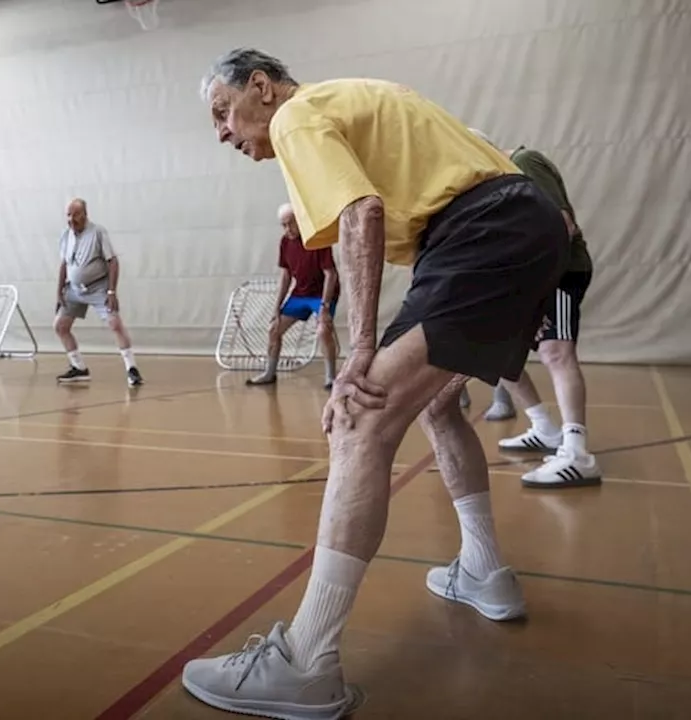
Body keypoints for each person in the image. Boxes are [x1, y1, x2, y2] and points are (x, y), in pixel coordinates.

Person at [184, 48, 569, 718]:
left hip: (483, 232)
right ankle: (484, 570)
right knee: (439, 408)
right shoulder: (352, 100)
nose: (222, 132)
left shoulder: (297, 116)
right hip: (521, 227)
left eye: (223, 113)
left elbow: (361, 214)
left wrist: (361, 348)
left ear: (261, 87)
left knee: (361, 418)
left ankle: (307, 660)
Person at [469, 129, 601, 489]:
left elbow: (563, 226)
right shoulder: (501, 185)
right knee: (498, 351)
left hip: (561, 271)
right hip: (534, 278)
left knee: (556, 352)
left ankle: (576, 454)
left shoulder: (524, 162)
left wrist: (538, 288)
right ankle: (544, 428)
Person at [247, 202, 339, 388]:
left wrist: (325, 307)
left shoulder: (317, 239)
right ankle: (269, 373)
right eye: (283, 224)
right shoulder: (285, 242)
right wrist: (276, 308)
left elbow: (331, 274)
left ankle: (330, 377)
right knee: (274, 329)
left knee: (323, 330)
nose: (288, 229)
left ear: (300, 221)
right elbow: (286, 275)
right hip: (300, 294)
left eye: (291, 223)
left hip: (321, 295)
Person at [53, 198, 143, 387]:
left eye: (75, 214)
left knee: (115, 323)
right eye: (68, 215)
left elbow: (113, 262)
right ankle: (79, 368)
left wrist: (111, 291)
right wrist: (59, 291)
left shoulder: (98, 232)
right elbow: (64, 264)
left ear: (85, 214)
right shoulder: (65, 235)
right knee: (60, 326)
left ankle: (131, 369)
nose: (71, 219)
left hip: (98, 287)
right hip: (74, 289)